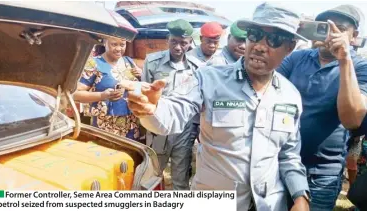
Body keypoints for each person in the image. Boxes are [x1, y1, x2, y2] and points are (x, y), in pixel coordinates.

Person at [122, 3, 311, 210]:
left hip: (269, 204)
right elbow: (173, 113)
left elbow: (289, 155)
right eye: (254, 35)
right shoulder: (209, 79)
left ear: (290, 48)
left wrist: (300, 195)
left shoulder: (290, 95)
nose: (259, 46)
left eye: (273, 40)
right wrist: (153, 109)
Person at [276, 5, 367, 210]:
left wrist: (344, 59)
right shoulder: (296, 58)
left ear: (354, 36)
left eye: (340, 28)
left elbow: (352, 120)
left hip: (322, 173)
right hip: (281, 161)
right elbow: (266, 91)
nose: (331, 34)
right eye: (325, 27)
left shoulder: (360, 67)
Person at [140, 19, 201, 190]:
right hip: (158, 127)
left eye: (183, 43)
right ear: (168, 39)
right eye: (174, 41)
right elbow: (145, 94)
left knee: (180, 178)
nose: (178, 47)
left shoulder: (197, 67)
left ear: (190, 43)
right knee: (152, 176)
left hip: (184, 130)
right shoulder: (152, 62)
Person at [73, 37, 142, 140]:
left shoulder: (129, 62)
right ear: (105, 43)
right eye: (114, 44)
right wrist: (102, 95)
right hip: (106, 128)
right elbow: (75, 94)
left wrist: (141, 75)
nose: (119, 49)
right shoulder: (94, 64)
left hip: (132, 127)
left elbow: (138, 87)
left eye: (122, 45)